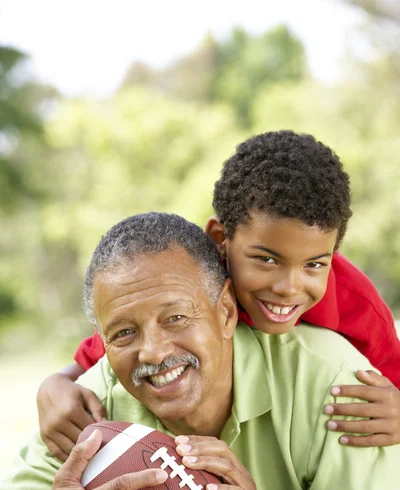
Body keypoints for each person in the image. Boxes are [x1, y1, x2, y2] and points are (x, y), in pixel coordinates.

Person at [1, 212, 400, 490]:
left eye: (175, 318)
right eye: (124, 333)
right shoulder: (88, 406)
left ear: (226, 312)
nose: (153, 353)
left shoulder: (336, 384)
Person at [37, 131, 400, 462]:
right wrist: (56, 383)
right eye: (266, 259)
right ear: (219, 238)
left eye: (314, 264)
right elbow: (122, 341)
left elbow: (391, 376)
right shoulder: (199, 281)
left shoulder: (358, 305)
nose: (289, 286)